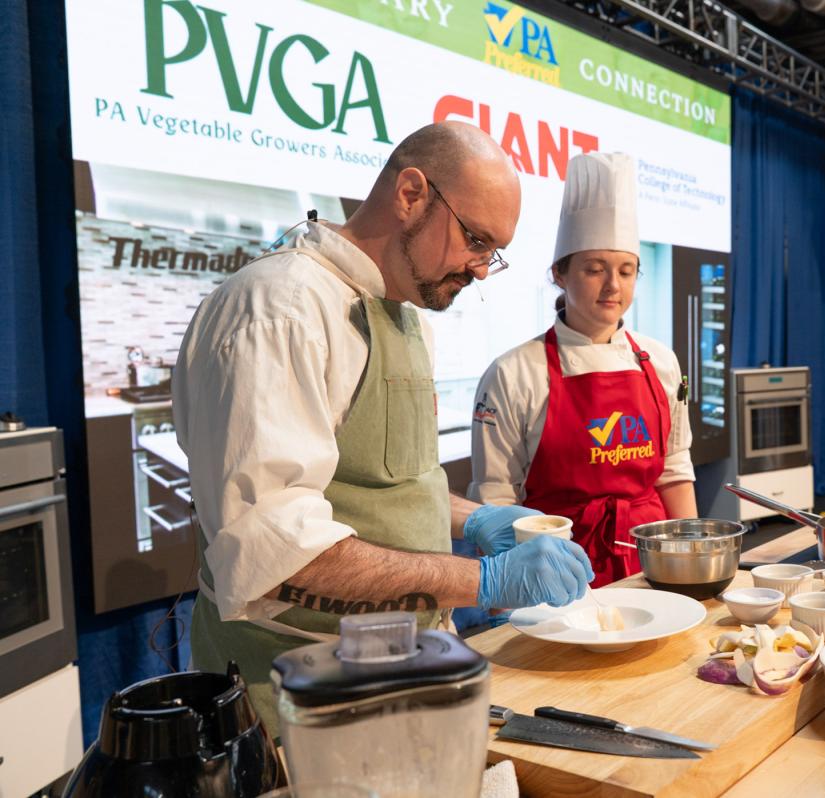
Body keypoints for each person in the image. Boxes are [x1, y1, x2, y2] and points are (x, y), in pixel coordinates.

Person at [173, 122, 594, 734]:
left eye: (492, 253)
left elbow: (385, 485)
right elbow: (280, 551)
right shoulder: (280, 308)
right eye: (475, 239)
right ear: (411, 194)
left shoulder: (404, 316)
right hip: (298, 691)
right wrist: (483, 578)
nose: (480, 270)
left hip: (401, 667)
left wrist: (471, 519)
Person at [468, 152, 697, 588]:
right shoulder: (514, 372)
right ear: (559, 273)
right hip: (555, 571)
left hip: (653, 567)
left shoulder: (661, 363)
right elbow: (495, 498)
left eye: (627, 271)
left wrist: (691, 567)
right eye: (595, 269)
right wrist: (504, 596)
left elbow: (673, 470)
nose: (613, 286)